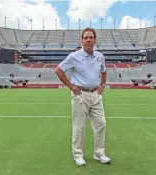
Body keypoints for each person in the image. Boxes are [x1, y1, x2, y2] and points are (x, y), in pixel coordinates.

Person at [55, 27, 111, 166]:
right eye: (85, 38)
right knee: (79, 126)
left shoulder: (100, 57)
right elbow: (59, 70)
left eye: (91, 37)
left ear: (95, 40)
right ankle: (78, 155)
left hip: (95, 94)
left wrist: (102, 85)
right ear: (81, 41)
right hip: (80, 94)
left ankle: (99, 153)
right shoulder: (74, 56)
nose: (88, 40)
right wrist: (70, 85)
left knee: (101, 124)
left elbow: (104, 71)